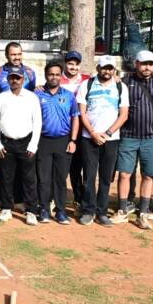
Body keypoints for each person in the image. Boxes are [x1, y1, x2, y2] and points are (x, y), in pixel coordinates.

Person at [113, 50, 153, 230]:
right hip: (128, 135)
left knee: (148, 175)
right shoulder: (124, 82)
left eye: (150, 64)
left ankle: (144, 211)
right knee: (124, 174)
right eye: (144, 63)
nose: (147, 67)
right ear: (136, 64)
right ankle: (122, 209)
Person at [76, 55, 130, 227]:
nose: (107, 71)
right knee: (89, 176)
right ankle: (88, 211)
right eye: (104, 68)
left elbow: (124, 115)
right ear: (98, 68)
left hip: (111, 139)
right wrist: (92, 133)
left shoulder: (121, 87)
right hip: (89, 138)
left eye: (110, 68)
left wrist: (107, 133)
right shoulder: (87, 85)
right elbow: (82, 112)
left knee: (106, 177)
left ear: (114, 70)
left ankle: (102, 212)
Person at [0, 42, 37, 213]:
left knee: (22, 169)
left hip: (23, 129)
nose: (17, 57)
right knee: (0, 167)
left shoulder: (29, 73)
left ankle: (19, 200)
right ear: (7, 55)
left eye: (19, 54)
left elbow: (32, 96)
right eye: (13, 54)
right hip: (3, 128)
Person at [0, 67, 42, 223]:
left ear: (23, 80)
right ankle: (6, 208)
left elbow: (37, 122)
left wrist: (33, 145)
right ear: (8, 79)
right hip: (6, 143)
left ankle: (31, 211)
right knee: (6, 177)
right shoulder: (1, 98)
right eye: (12, 78)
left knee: (29, 178)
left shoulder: (32, 98)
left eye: (18, 78)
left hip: (26, 142)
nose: (15, 80)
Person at [35, 61, 80, 225]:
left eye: (57, 74)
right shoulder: (37, 95)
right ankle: (44, 209)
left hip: (63, 141)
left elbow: (75, 117)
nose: (54, 77)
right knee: (43, 178)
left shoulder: (68, 95)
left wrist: (73, 140)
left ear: (61, 76)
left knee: (61, 178)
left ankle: (60, 211)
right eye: (50, 74)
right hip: (43, 141)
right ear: (46, 75)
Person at [61, 50, 90, 210]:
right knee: (62, 167)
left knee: (78, 167)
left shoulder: (87, 80)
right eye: (70, 64)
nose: (73, 67)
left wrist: (116, 78)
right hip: (64, 130)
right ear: (65, 64)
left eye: (76, 64)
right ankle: (55, 199)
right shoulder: (58, 78)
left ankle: (79, 199)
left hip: (82, 131)